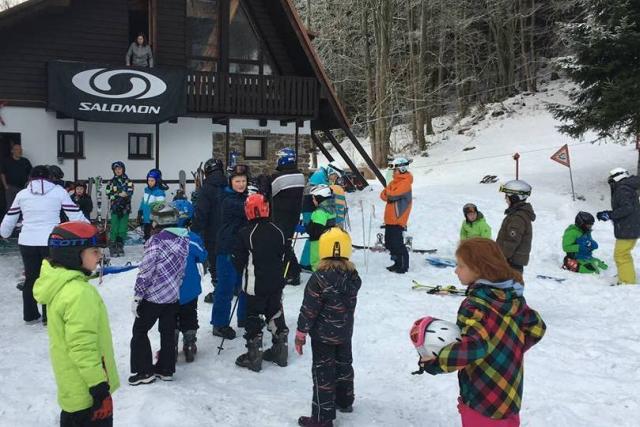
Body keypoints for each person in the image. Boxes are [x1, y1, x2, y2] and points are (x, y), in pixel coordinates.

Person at [417, 237, 546, 427]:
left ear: (479, 269)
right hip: (510, 396)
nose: (455, 270)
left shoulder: (475, 305)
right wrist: (510, 348)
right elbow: (537, 327)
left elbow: (473, 348)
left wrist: (435, 362)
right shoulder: (512, 299)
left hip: (483, 399)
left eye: (460, 266)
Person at [33, 222, 119, 427]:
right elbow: (82, 346)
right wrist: (99, 388)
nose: (99, 256)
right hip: (88, 395)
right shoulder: (80, 293)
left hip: (72, 390)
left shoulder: (60, 285)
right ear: (73, 254)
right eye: (94, 251)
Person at [0, 165, 88, 324]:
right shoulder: (58, 192)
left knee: (31, 276)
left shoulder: (22, 194)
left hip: (27, 241)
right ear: (50, 178)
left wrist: (4, 232)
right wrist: (89, 229)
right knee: (51, 277)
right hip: (50, 241)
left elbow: (10, 216)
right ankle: (49, 317)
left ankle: (30, 314)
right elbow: (74, 213)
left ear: (30, 178)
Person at [295, 227, 361, 427]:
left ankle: (322, 418)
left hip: (323, 336)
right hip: (344, 332)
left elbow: (309, 309)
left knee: (323, 373)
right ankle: (345, 400)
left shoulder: (319, 278)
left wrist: (300, 334)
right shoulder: (353, 277)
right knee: (344, 366)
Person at [129, 203, 189, 385]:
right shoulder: (183, 241)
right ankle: (166, 369)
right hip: (172, 295)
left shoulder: (155, 242)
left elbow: (146, 271)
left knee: (139, 330)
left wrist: (138, 295)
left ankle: (144, 371)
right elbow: (182, 270)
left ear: (156, 222)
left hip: (153, 296)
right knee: (167, 332)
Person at [232, 193, 288, 372]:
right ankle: (280, 350)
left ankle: (254, 356)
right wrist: (284, 275)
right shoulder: (278, 230)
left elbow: (238, 260)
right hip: (276, 283)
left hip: (254, 286)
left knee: (253, 316)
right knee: (275, 313)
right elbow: (288, 256)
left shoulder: (245, 234)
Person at [210, 164, 250, 340]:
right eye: (237, 181)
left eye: (243, 181)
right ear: (230, 182)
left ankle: (244, 317)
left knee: (246, 286)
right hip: (227, 248)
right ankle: (219, 324)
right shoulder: (227, 198)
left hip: (244, 248)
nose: (241, 184)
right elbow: (246, 208)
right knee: (225, 288)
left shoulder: (244, 196)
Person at [173, 200, 207, 363]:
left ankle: (170, 343)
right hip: (190, 288)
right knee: (189, 315)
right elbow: (203, 256)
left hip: (170, 289)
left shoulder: (162, 238)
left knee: (170, 316)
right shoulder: (192, 239)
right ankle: (189, 342)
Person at [191, 158, 227, 300]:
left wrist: (194, 230)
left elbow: (201, 213)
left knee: (214, 261)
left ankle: (219, 290)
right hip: (229, 231)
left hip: (212, 232)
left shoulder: (205, 189)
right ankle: (233, 287)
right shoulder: (229, 185)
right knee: (229, 260)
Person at [597, 168, 640, 284]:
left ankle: (627, 280)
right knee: (623, 253)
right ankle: (625, 274)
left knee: (621, 254)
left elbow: (627, 208)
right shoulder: (626, 187)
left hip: (628, 227)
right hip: (630, 226)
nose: (610, 181)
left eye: (611, 178)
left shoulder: (622, 189)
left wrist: (609, 215)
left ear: (617, 177)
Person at [269, 147, 305, 286]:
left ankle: (292, 272)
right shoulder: (300, 176)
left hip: (279, 216)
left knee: (281, 245)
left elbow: (269, 193)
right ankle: (292, 270)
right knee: (287, 244)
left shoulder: (278, 177)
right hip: (293, 215)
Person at [380, 157, 413, 274]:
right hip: (389, 219)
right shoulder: (394, 182)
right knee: (389, 243)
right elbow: (383, 196)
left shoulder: (405, 182)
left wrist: (389, 193)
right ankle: (396, 262)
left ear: (402, 169)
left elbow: (393, 196)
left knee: (397, 244)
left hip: (398, 219)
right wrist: (389, 193)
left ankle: (403, 265)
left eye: (395, 170)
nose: (393, 172)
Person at [496, 180, 535, 274]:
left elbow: (511, 242)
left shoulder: (517, 218)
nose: (505, 199)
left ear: (514, 198)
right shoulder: (517, 214)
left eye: (507, 196)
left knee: (505, 287)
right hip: (510, 263)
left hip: (510, 264)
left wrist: (499, 258)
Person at [106, 161, 134, 257]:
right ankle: (113, 245)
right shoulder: (111, 182)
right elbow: (108, 193)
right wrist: (119, 194)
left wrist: (121, 194)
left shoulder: (128, 181)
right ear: (114, 170)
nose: (118, 171)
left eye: (120, 169)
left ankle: (120, 245)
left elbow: (129, 192)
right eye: (116, 169)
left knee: (122, 228)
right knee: (114, 227)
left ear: (123, 169)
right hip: (115, 208)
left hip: (125, 208)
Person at [307, 184, 337, 271]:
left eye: (314, 198)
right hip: (328, 239)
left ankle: (319, 280)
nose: (313, 201)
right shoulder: (331, 208)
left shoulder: (320, 211)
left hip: (318, 242)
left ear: (320, 197)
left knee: (316, 262)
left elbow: (317, 229)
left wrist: (307, 228)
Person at [0, 143, 32, 209]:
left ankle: (21, 219)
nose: (19, 151)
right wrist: (5, 186)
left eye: (20, 149)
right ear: (12, 151)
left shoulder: (25, 161)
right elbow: (2, 174)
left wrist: (28, 183)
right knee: (11, 207)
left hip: (23, 188)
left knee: (23, 206)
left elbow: (30, 173)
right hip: (11, 188)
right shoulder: (6, 161)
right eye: (17, 149)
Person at [138, 168, 165, 241]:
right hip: (146, 219)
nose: (150, 182)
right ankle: (147, 249)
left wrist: (155, 220)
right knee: (146, 236)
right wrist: (140, 212)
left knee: (153, 237)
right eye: (148, 180)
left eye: (152, 180)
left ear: (157, 181)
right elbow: (143, 202)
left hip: (153, 220)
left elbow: (160, 207)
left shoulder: (159, 192)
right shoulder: (146, 190)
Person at [327, 164, 348, 229]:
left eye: (337, 176)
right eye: (335, 176)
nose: (335, 178)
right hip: (337, 217)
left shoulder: (334, 187)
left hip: (335, 217)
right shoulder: (332, 186)